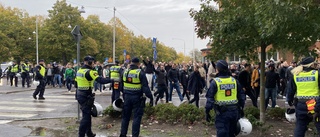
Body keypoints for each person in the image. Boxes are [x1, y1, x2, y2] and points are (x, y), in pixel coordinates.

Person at [205, 60, 246, 137]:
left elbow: (210, 99)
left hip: (222, 113)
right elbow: (241, 96)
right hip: (234, 112)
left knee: (222, 134)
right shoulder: (234, 80)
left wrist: (207, 112)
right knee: (232, 134)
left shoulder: (215, 82)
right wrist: (241, 108)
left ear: (217, 69)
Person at [76, 56, 113, 137]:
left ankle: (89, 133)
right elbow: (101, 80)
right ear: (89, 62)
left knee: (87, 114)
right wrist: (112, 79)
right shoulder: (90, 72)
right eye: (93, 62)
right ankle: (81, 135)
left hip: (80, 94)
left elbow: (76, 83)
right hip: (86, 95)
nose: (94, 64)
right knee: (86, 117)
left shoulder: (79, 71)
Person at [120, 57, 153, 137]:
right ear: (138, 64)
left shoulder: (125, 72)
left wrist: (124, 93)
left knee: (125, 117)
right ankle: (135, 135)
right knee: (136, 117)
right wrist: (151, 97)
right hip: (137, 97)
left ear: (131, 63)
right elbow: (145, 87)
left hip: (127, 97)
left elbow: (121, 85)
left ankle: (123, 134)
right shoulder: (140, 73)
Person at [287, 57, 320, 137]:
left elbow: (291, 90)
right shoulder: (317, 74)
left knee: (300, 127)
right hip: (315, 105)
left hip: (301, 104)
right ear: (312, 64)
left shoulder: (296, 75)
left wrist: (290, 100)